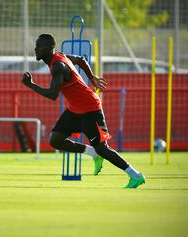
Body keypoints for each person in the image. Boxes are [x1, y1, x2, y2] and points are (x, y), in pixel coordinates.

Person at [22, 34, 145, 188]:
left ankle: (135, 175)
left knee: (102, 148)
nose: (35, 49)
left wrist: (31, 84)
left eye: (38, 46)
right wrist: (92, 77)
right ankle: (92, 153)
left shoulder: (58, 66)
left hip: (90, 108)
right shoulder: (60, 57)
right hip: (75, 109)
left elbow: (53, 95)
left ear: (48, 48)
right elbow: (81, 59)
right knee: (56, 140)